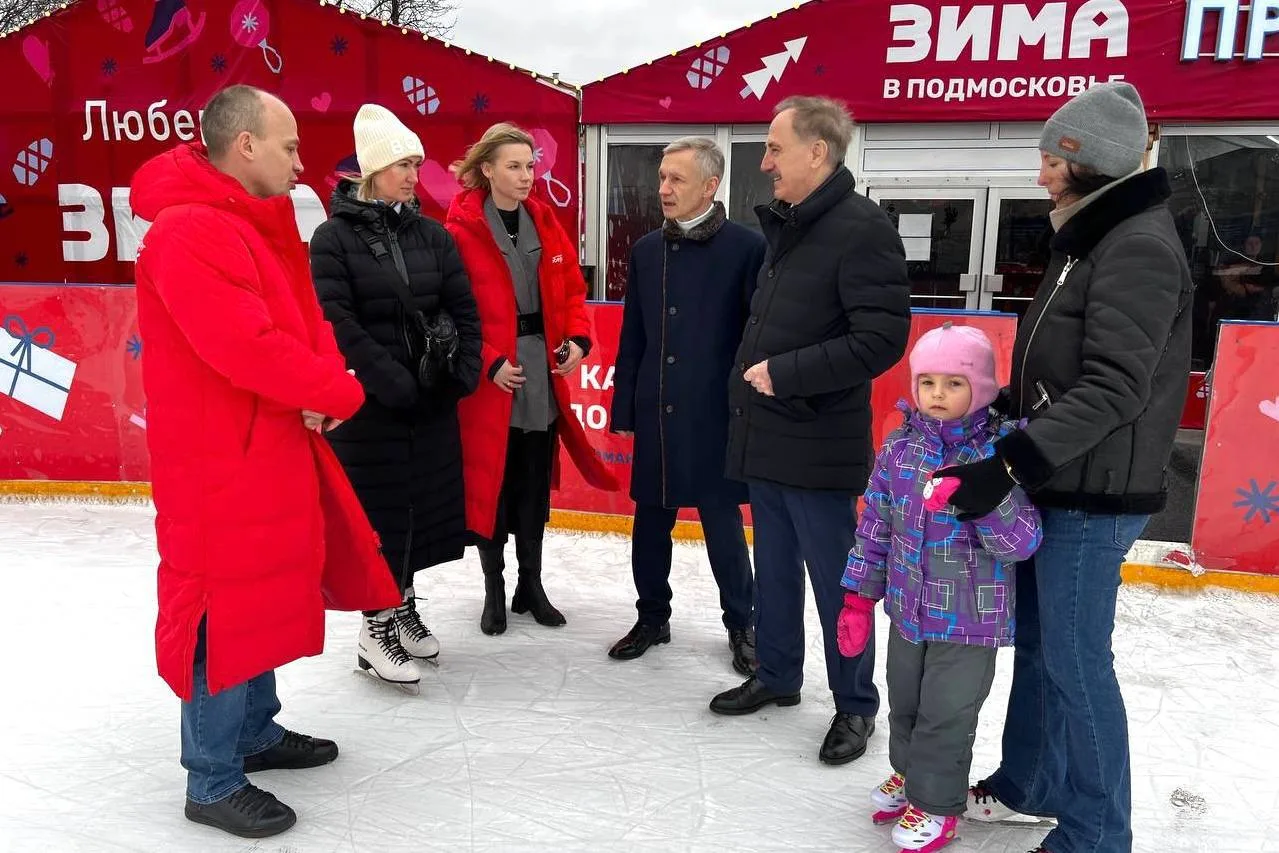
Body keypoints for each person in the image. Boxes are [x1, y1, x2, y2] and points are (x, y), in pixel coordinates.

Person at [130, 84, 401, 839]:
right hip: (217, 461)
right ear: (243, 144)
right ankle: (212, 778)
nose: (299, 160)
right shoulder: (189, 230)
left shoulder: (250, 222)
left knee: (264, 591)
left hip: (263, 443)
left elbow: (300, 319)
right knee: (221, 606)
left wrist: (317, 385)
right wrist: (334, 389)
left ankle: (254, 731)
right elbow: (240, 343)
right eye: (287, 144)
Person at [936, 82, 1193, 853]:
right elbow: (1071, 362)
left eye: (1052, 157)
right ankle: (1031, 782)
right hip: (1064, 478)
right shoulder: (1090, 238)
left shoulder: (1135, 245)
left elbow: (1116, 385)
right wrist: (1010, 402)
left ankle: (1094, 834)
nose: (1041, 170)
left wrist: (1012, 458)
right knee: (1044, 649)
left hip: (1094, 488)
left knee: (1077, 665)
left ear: (1089, 163)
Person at [710, 95, 910, 768]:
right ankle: (776, 674)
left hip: (817, 442)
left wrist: (786, 375)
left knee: (837, 585)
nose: (764, 162)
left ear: (816, 152)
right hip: (766, 436)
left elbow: (880, 339)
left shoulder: (862, 228)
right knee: (774, 573)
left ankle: (855, 706)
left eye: (773, 148)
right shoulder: (788, 228)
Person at [838, 324, 1042, 852]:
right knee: (904, 706)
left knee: (945, 717)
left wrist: (981, 499)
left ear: (982, 387)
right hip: (908, 612)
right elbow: (875, 525)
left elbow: (1022, 542)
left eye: (953, 383)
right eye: (926, 382)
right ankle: (910, 778)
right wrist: (859, 596)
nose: (937, 395)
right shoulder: (901, 448)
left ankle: (937, 803)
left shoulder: (1002, 453)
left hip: (970, 621)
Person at [310, 104, 482, 690]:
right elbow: (338, 320)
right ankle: (375, 624)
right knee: (380, 516)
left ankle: (402, 603)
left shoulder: (432, 234)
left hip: (430, 402)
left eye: (416, 163)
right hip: (373, 407)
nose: (413, 174)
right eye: (403, 164)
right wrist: (392, 381)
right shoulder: (332, 239)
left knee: (420, 511)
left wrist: (460, 373)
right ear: (372, 170)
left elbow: (462, 308)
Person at [445, 123, 618, 635]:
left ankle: (531, 585)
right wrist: (489, 359)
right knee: (495, 487)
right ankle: (494, 589)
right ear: (487, 170)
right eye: (514, 166)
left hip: (541, 372)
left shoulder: (544, 221)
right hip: (492, 382)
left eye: (530, 165)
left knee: (533, 487)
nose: (526, 176)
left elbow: (569, 291)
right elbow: (453, 312)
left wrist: (579, 341)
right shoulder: (458, 232)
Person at [608, 137, 765, 673]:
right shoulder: (648, 250)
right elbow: (634, 336)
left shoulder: (747, 248)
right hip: (657, 410)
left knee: (722, 525)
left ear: (710, 185)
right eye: (662, 179)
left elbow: (754, 339)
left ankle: (742, 624)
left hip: (716, 413)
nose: (663, 189)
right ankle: (652, 616)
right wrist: (624, 409)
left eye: (676, 179)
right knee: (650, 521)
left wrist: (747, 409)